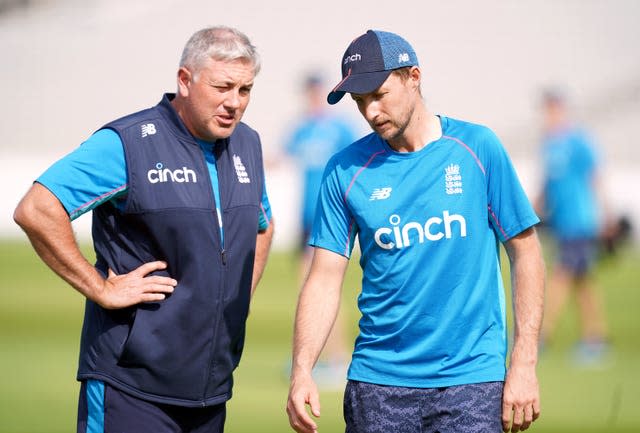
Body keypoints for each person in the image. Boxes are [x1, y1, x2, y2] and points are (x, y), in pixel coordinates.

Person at [13, 26, 274, 433]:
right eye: (223, 87)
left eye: (245, 90)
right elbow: (37, 208)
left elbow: (262, 225)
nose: (234, 103)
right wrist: (99, 287)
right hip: (130, 386)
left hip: (211, 388)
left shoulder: (247, 144)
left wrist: (235, 300)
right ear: (185, 80)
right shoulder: (129, 143)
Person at [286, 30, 544, 433]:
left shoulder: (478, 147)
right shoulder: (345, 170)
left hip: (471, 381)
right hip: (378, 385)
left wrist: (524, 363)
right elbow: (323, 278)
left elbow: (526, 252)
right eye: (360, 101)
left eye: (379, 94)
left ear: (413, 76)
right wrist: (302, 369)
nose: (371, 111)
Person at [283, 72, 358, 388]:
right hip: (305, 216)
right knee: (307, 287)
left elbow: (357, 163)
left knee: (323, 285)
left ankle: (336, 358)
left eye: (315, 92)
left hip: (330, 214)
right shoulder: (301, 129)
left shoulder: (339, 128)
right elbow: (283, 156)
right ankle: (313, 357)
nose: (312, 98)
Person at [536, 89, 609, 364]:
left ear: (562, 110)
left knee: (561, 276)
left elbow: (595, 176)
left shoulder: (578, 141)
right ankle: (596, 338)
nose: (550, 115)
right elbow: (548, 182)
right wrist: (537, 205)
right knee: (582, 283)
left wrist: (605, 214)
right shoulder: (547, 143)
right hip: (562, 221)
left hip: (579, 220)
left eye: (553, 109)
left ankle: (543, 334)